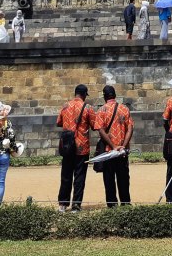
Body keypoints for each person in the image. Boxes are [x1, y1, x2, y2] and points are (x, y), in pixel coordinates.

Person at [56, 84, 96, 212]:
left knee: (66, 175)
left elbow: (58, 122)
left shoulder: (65, 106)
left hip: (67, 146)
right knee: (79, 177)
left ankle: (62, 204)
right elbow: (94, 125)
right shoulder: (88, 108)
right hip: (81, 147)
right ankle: (76, 206)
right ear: (84, 95)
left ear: (75, 93)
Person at [96, 85, 133, 207]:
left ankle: (112, 205)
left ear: (104, 97)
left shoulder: (101, 110)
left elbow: (101, 130)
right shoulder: (124, 109)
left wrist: (113, 146)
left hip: (108, 152)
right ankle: (126, 203)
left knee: (109, 180)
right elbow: (130, 129)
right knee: (123, 179)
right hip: (122, 152)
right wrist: (122, 146)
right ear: (115, 95)